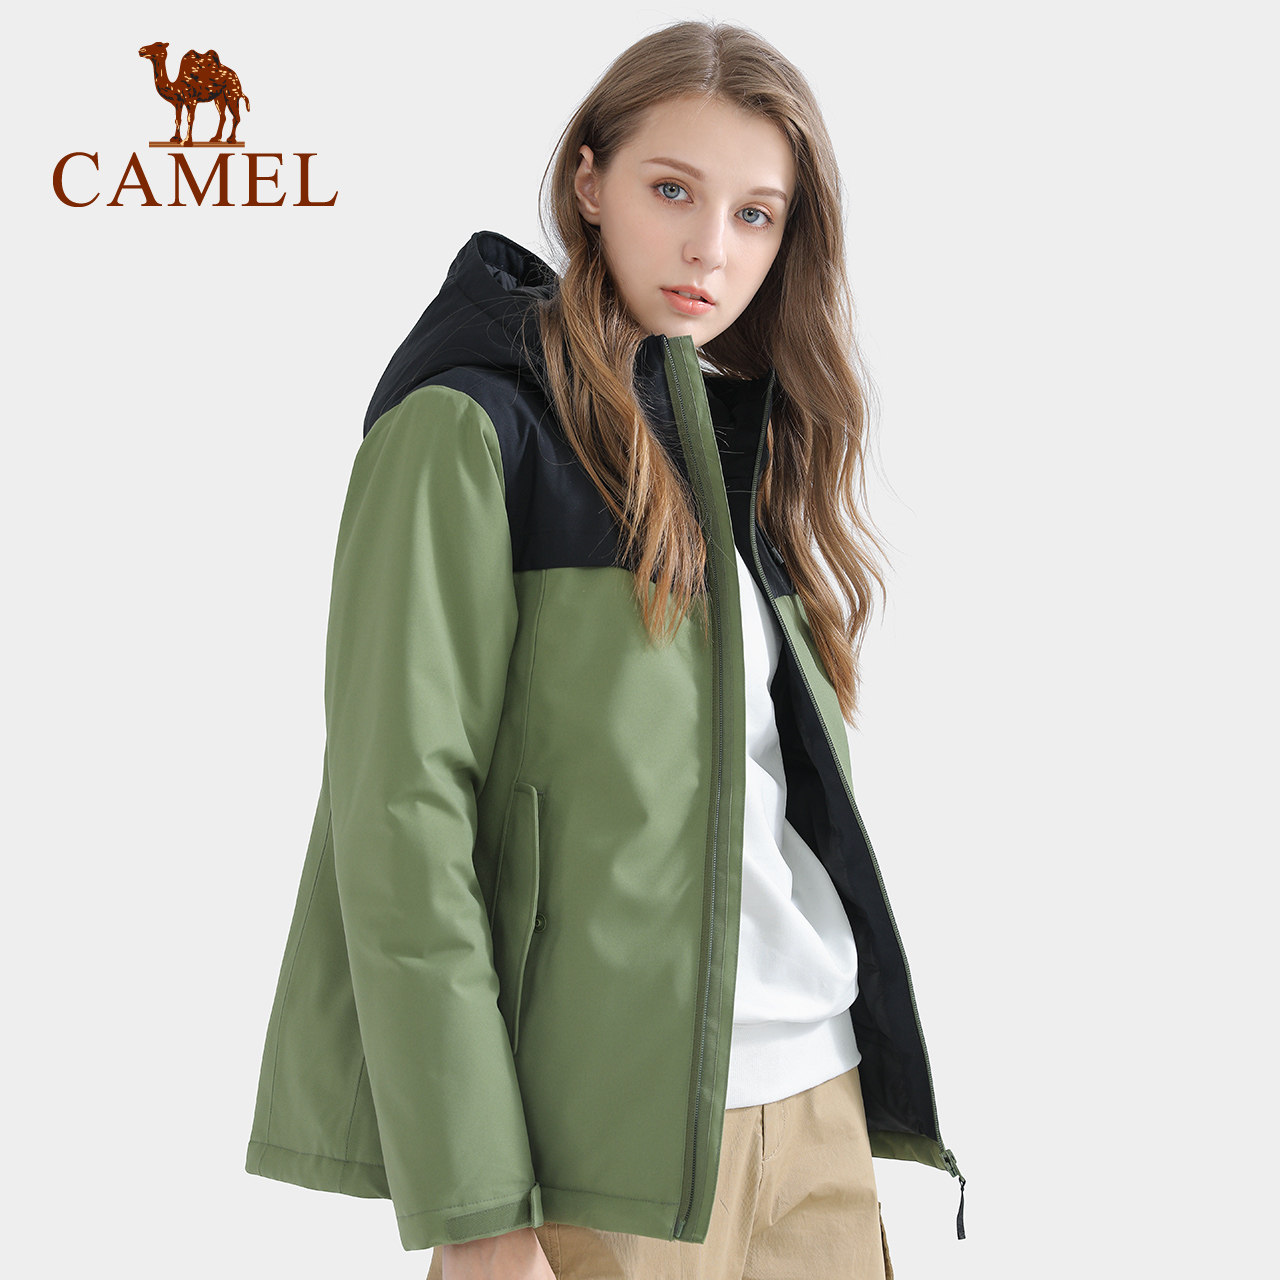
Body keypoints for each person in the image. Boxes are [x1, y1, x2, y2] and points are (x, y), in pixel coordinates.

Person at [244, 19, 963, 1280]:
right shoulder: (466, 428)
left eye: (754, 214)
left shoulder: (732, 441)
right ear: (588, 180)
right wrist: (473, 1201)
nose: (709, 248)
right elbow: (399, 816)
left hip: (817, 1103)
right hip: (600, 1145)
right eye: (671, 190)